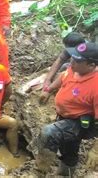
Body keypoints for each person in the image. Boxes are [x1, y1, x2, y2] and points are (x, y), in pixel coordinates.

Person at [36, 42, 98, 176]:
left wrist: (96, 150)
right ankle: (66, 174)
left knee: (49, 133)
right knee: (69, 150)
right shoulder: (73, 69)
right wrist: (49, 89)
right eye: (72, 57)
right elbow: (63, 77)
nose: (71, 61)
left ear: (91, 65)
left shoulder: (96, 85)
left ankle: (39, 171)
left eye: (77, 60)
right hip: (64, 116)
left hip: (79, 122)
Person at [40, 31, 85, 96]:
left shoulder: (88, 54)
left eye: (69, 49)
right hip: (77, 67)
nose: (67, 50)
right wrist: (48, 79)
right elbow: (59, 61)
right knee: (64, 66)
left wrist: (51, 87)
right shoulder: (71, 47)